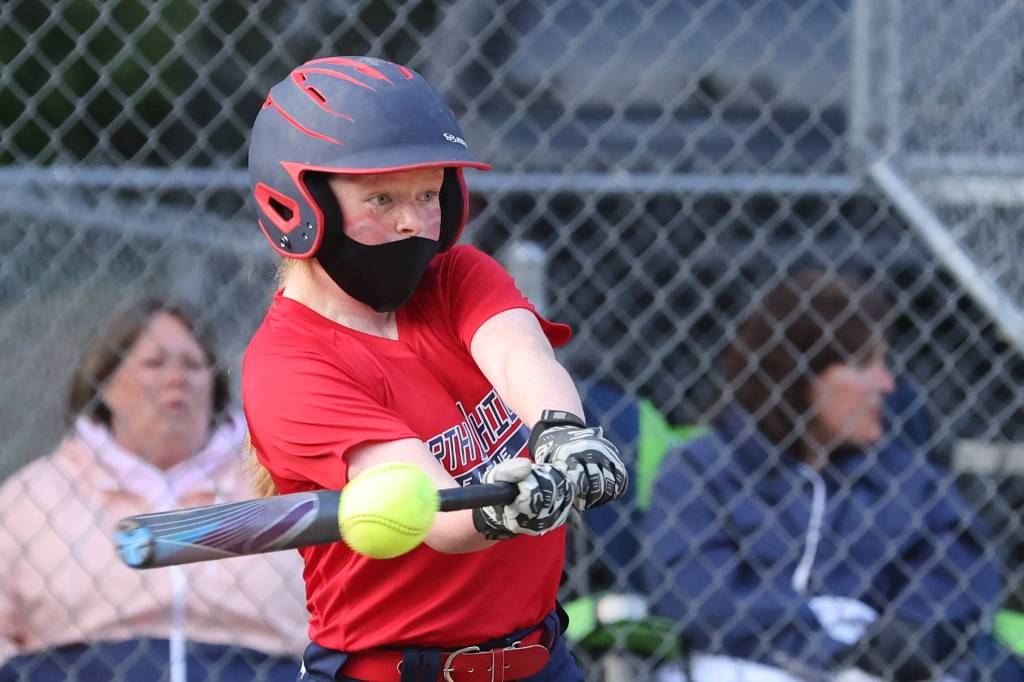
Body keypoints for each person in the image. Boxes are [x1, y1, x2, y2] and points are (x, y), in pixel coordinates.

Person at [241, 55, 628, 682]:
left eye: (428, 194)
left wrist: (563, 432)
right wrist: (506, 507)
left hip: (541, 659)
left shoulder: (455, 278)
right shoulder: (287, 365)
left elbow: (520, 353)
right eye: (381, 198)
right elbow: (436, 514)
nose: (413, 222)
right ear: (296, 207)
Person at [641, 271, 1024, 682]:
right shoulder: (703, 469)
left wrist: (896, 645)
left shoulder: (903, 477)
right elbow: (700, 592)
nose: (887, 383)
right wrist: (826, 656)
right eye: (863, 363)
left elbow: (962, 567)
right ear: (799, 374)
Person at [0, 298, 309, 681]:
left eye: (193, 364)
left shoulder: (273, 486)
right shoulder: (33, 496)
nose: (177, 377)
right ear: (105, 384)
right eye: (154, 363)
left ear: (213, 387)